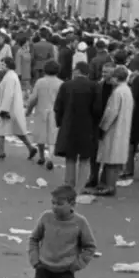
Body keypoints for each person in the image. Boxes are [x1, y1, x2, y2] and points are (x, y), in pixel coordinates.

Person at [53, 62, 103, 190]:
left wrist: (60, 123)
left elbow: (58, 107)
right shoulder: (94, 86)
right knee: (85, 158)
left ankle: (69, 183)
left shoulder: (66, 85)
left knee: (70, 156)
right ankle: (80, 186)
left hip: (69, 124)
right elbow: (98, 109)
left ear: (77, 71)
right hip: (88, 126)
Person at [0, 57, 38, 161]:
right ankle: (30, 147)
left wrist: (4, 110)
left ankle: (0, 152)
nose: (1, 67)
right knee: (18, 130)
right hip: (13, 108)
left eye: (2, 65)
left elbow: (8, 94)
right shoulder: (12, 75)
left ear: (6, 65)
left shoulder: (10, 77)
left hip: (7, 108)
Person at [26, 60, 62, 170]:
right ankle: (50, 157)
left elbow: (33, 98)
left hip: (41, 110)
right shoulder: (61, 83)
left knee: (40, 134)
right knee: (52, 136)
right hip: (55, 112)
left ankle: (41, 156)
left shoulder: (40, 82)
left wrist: (28, 110)